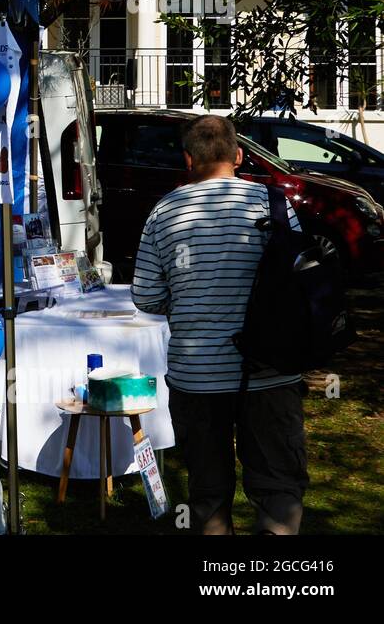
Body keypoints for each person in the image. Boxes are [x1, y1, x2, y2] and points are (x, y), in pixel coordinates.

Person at [131, 115, 308, 535]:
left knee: (207, 491)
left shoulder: (164, 211)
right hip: (270, 370)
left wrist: (190, 298)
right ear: (240, 155)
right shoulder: (273, 204)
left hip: (198, 376)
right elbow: (300, 277)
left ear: (188, 159)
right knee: (279, 483)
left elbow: (146, 296)